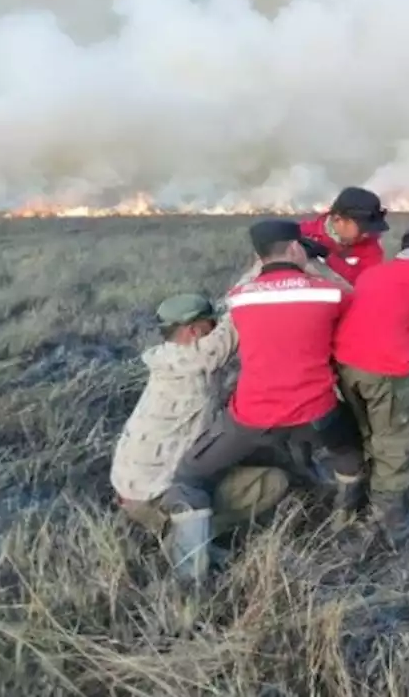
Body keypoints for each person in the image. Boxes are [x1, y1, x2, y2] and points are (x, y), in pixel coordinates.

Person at [161, 220, 367, 582]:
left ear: (257, 257)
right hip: (315, 411)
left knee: (189, 477)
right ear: (294, 249)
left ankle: (190, 577)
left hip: (251, 418)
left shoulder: (239, 296)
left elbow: (249, 291)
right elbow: (354, 299)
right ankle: (345, 514)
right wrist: (315, 267)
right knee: (349, 450)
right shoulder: (327, 292)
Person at [111, 294, 289, 539]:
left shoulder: (171, 360)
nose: (215, 331)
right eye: (211, 326)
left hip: (133, 489)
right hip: (156, 495)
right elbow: (227, 337)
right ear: (193, 330)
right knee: (272, 481)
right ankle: (184, 534)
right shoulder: (194, 364)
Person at [332, 223, 409, 543]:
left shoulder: (373, 272)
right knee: (395, 441)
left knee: (366, 431)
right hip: (383, 367)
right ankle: (395, 523)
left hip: (344, 362)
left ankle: (354, 503)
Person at [298, 186, 391, 286]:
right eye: (363, 227)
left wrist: (328, 256)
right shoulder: (304, 232)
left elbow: (363, 284)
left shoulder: (372, 249)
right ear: (338, 219)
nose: (367, 234)